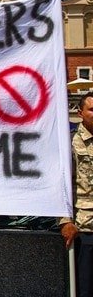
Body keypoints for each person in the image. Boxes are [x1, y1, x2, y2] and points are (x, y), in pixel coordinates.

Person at [60, 92, 93, 297]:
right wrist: (65, 221)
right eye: (92, 109)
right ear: (80, 113)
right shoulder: (71, 143)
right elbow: (62, 184)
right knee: (86, 289)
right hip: (86, 228)